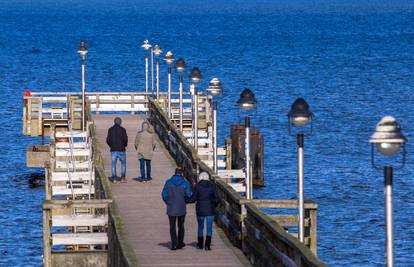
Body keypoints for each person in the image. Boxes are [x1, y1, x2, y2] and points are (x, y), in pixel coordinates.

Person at [161, 167, 192, 250]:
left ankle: (174, 243)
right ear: (182, 173)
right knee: (181, 225)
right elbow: (189, 195)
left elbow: (164, 194)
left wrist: (168, 201)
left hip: (171, 207)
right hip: (181, 207)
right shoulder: (185, 183)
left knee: (172, 226)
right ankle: (180, 243)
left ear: (175, 173)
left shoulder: (168, 182)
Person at [188, 172, 219, 250]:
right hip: (210, 210)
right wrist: (214, 205)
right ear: (208, 178)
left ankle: (200, 244)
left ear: (200, 178)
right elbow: (217, 199)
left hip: (200, 210)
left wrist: (185, 199)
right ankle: (207, 245)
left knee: (200, 227)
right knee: (209, 228)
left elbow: (193, 199)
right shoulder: (212, 186)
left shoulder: (197, 186)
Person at [106, 117, 128, 183]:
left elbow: (108, 140)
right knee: (123, 163)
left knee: (113, 164)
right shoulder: (123, 130)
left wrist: (111, 145)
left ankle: (114, 178)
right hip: (121, 149)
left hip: (113, 149)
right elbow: (125, 139)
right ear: (120, 122)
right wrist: (124, 145)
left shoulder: (110, 129)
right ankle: (123, 178)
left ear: (114, 122)